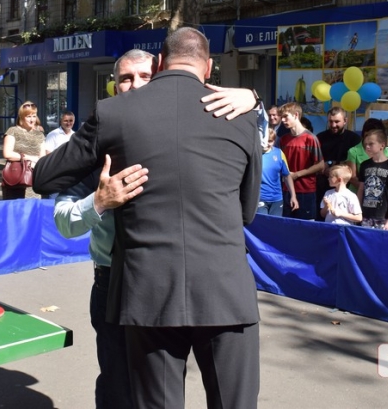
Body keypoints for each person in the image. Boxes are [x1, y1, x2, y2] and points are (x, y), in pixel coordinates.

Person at [34, 28, 261, 409]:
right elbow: (247, 210)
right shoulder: (241, 116)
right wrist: (252, 98)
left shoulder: (113, 113)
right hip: (226, 291)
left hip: (147, 293)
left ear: (158, 64)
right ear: (208, 68)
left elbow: (44, 177)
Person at [279, 102, 324, 219]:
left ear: (296, 115)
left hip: (306, 190)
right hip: (286, 190)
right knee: (286, 226)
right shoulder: (283, 140)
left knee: (307, 226)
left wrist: (297, 174)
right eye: (281, 117)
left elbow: (320, 165)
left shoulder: (310, 138)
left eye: (285, 116)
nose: (283, 120)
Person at [357, 129, 388, 230]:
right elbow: (361, 189)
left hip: (385, 217)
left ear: (382, 145)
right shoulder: (364, 165)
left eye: (371, 144)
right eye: (365, 145)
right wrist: (358, 211)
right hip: (366, 216)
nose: (367, 147)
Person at [1, 102, 47, 201]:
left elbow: (42, 158)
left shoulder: (40, 135)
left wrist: (37, 161)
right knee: (14, 211)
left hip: (34, 177)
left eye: (34, 116)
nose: (32, 119)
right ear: (21, 117)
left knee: (33, 211)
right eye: (28, 116)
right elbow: (7, 154)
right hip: (16, 178)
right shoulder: (13, 131)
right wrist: (29, 158)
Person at [316, 107, 361, 202]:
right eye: (330, 121)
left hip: (346, 188)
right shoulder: (320, 137)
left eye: (337, 122)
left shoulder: (354, 139)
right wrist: (323, 168)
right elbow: (314, 161)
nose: (333, 125)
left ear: (345, 121)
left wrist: (335, 168)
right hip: (323, 186)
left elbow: (357, 164)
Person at [347, 118, 388, 192]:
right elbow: (352, 178)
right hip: (357, 195)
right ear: (364, 133)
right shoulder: (353, 151)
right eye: (369, 133)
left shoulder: (385, 150)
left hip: (379, 194)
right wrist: (369, 190)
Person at [261, 128, 298, 216]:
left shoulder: (279, 153)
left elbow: (287, 175)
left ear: (274, 141)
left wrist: (293, 196)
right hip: (259, 198)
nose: (266, 143)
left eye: (270, 141)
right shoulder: (254, 153)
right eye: (264, 140)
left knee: (274, 227)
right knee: (262, 227)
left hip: (277, 199)